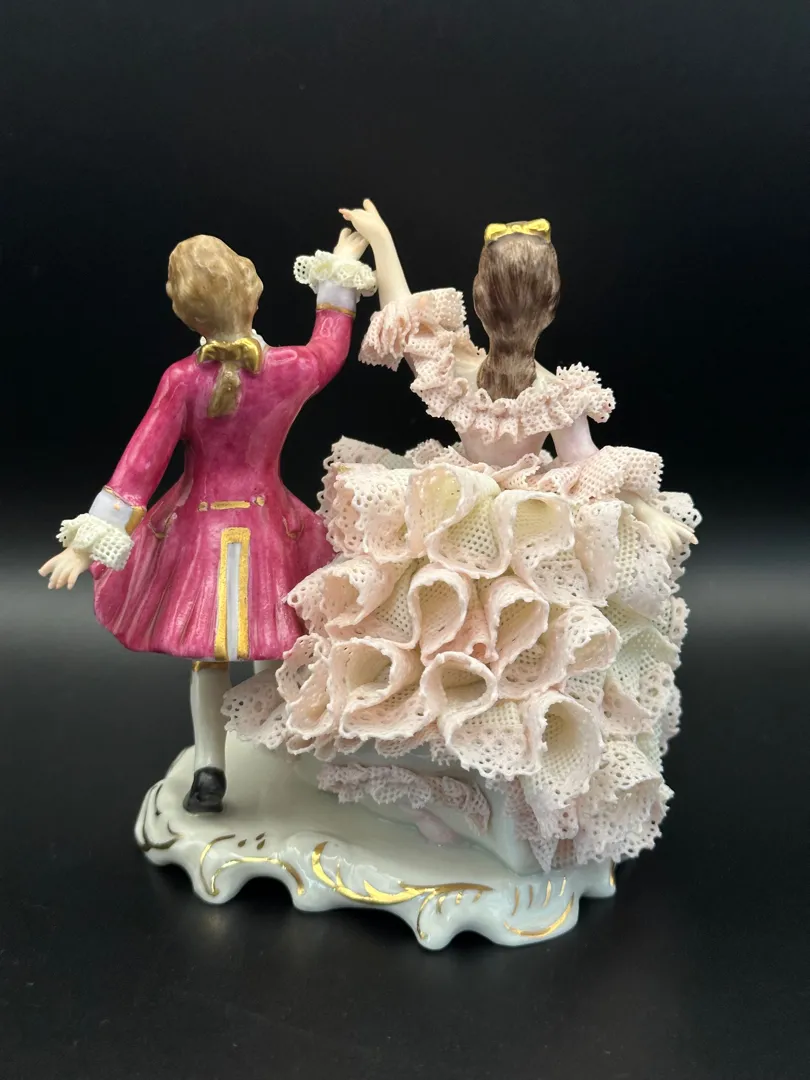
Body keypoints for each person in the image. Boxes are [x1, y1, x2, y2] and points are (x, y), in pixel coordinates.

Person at [224, 202, 699, 874]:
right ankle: (470, 797)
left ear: (477, 300)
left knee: (433, 661)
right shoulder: (554, 393)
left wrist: (382, 241)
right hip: (522, 536)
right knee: (512, 674)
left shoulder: (457, 369)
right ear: (550, 307)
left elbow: (403, 311)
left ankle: (459, 795)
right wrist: (640, 510)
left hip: (450, 519)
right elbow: (586, 466)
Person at [39, 228, 374, 813]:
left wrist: (85, 544)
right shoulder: (287, 368)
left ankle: (210, 770)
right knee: (277, 639)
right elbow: (330, 348)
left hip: (200, 534)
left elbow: (138, 467)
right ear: (253, 293)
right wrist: (338, 272)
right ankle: (280, 748)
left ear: (184, 311)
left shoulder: (182, 380)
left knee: (211, 656)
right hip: (269, 528)